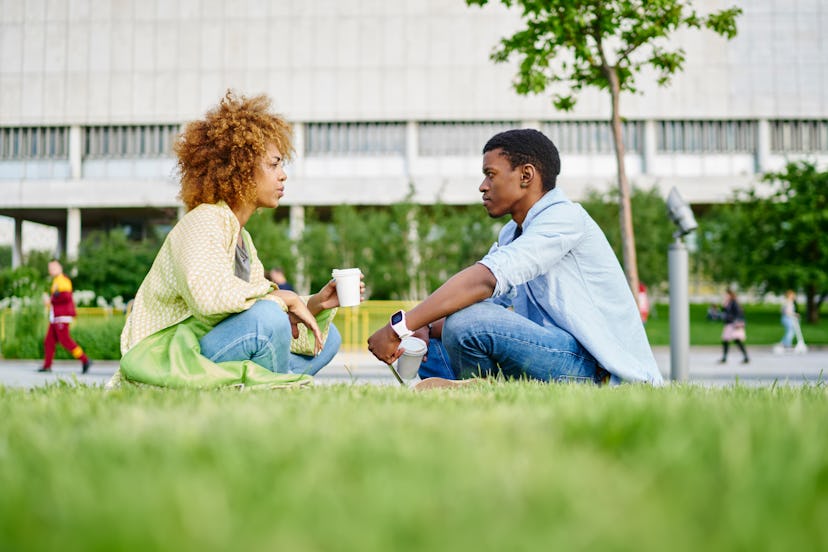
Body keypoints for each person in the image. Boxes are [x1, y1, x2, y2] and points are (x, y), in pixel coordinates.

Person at [367, 129, 662, 386]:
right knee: (438, 335)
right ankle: (469, 391)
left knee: (467, 323)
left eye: (490, 174)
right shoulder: (513, 233)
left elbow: (483, 281)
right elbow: (483, 301)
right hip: (555, 356)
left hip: (597, 368)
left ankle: (476, 393)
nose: (483, 186)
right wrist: (424, 327)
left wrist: (398, 326)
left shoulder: (564, 217)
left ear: (526, 175)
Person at [111, 91, 362, 390]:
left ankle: (272, 385)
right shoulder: (204, 220)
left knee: (328, 337)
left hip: (206, 346)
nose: (283, 176)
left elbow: (250, 301)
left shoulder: (242, 237)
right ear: (242, 168)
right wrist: (281, 297)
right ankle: (276, 391)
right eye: (274, 164)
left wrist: (316, 303)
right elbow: (210, 297)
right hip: (167, 358)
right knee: (269, 318)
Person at [39, 259, 91, 374]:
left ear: (60, 268)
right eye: (50, 268)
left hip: (62, 316)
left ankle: (85, 360)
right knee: (49, 341)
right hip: (56, 316)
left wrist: (51, 299)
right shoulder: (56, 281)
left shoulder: (63, 280)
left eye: (53, 268)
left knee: (65, 340)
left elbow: (66, 296)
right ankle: (47, 366)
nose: (51, 270)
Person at [719, 288, 749, 364]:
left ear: (730, 295)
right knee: (726, 341)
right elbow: (724, 312)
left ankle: (746, 357)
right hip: (729, 324)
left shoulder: (734, 302)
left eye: (726, 294)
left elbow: (738, 313)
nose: (725, 296)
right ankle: (724, 358)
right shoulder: (727, 303)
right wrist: (724, 306)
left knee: (737, 341)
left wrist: (732, 319)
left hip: (734, 325)